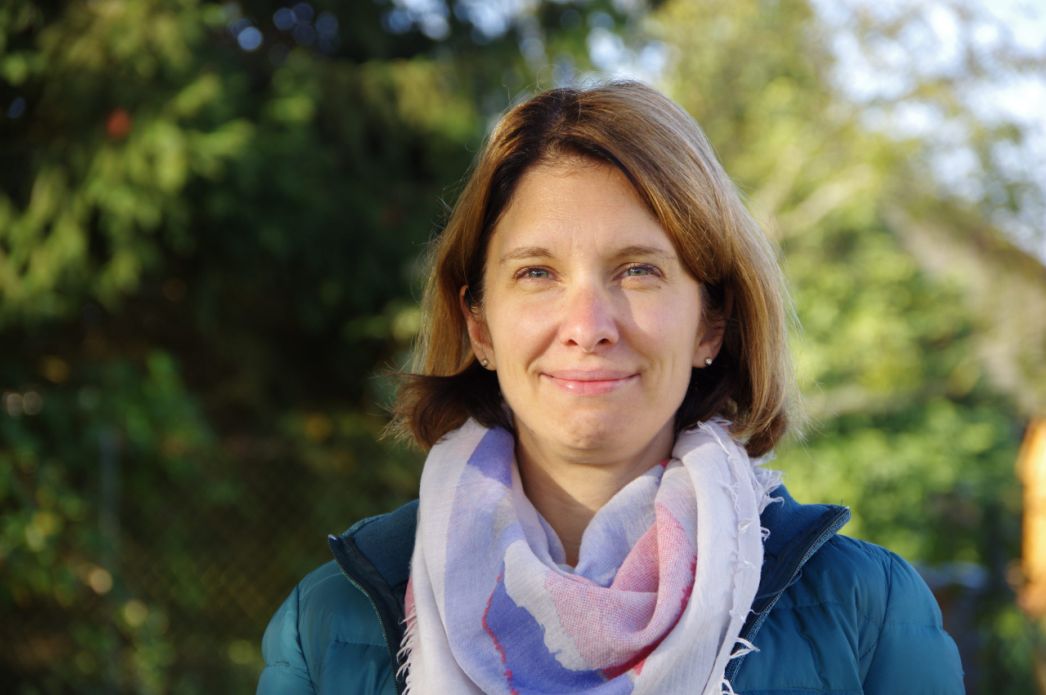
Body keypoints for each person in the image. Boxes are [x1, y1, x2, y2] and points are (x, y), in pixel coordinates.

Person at [256, 82, 964, 694]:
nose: (588, 326)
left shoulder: (866, 611)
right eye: (537, 272)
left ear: (710, 323)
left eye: (638, 270)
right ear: (480, 326)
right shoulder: (326, 623)